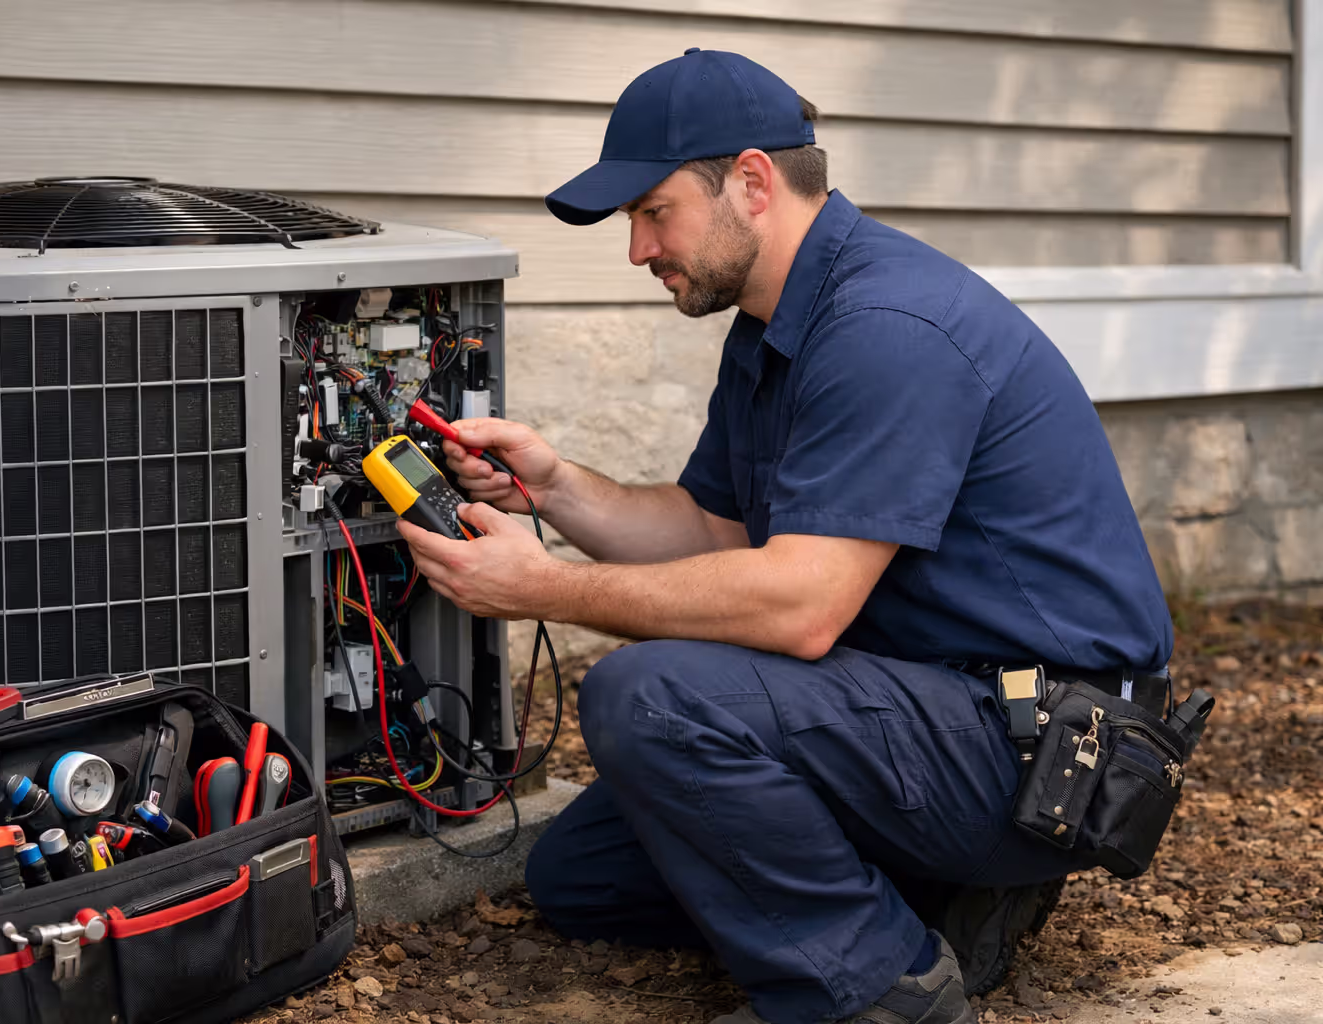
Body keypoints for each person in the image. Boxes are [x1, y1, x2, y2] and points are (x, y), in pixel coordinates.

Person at [392, 49, 1174, 1024]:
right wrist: (551, 489)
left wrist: (541, 588)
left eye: (651, 212)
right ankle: (942, 891)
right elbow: (712, 530)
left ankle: (876, 987)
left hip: (1048, 744)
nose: (637, 251)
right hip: (948, 704)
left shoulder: (887, 324)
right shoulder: (772, 328)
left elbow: (801, 607)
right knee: (582, 875)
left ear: (752, 183)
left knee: (649, 695)